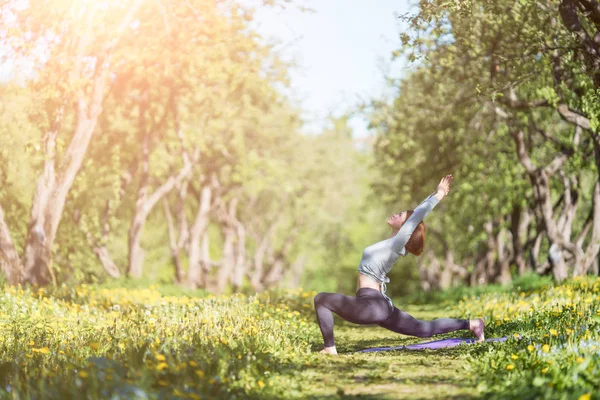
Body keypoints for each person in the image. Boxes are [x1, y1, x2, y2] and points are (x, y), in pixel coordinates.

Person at [314, 175, 485, 355]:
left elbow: (417, 215)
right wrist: (433, 195)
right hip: (379, 306)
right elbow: (414, 216)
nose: (396, 214)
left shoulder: (396, 244)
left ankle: (329, 348)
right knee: (423, 329)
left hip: (372, 305)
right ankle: (473, 324)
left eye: (401, 215)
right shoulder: (391, 244)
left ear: (406, 228)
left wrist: (439, 195)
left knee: (322, 299)